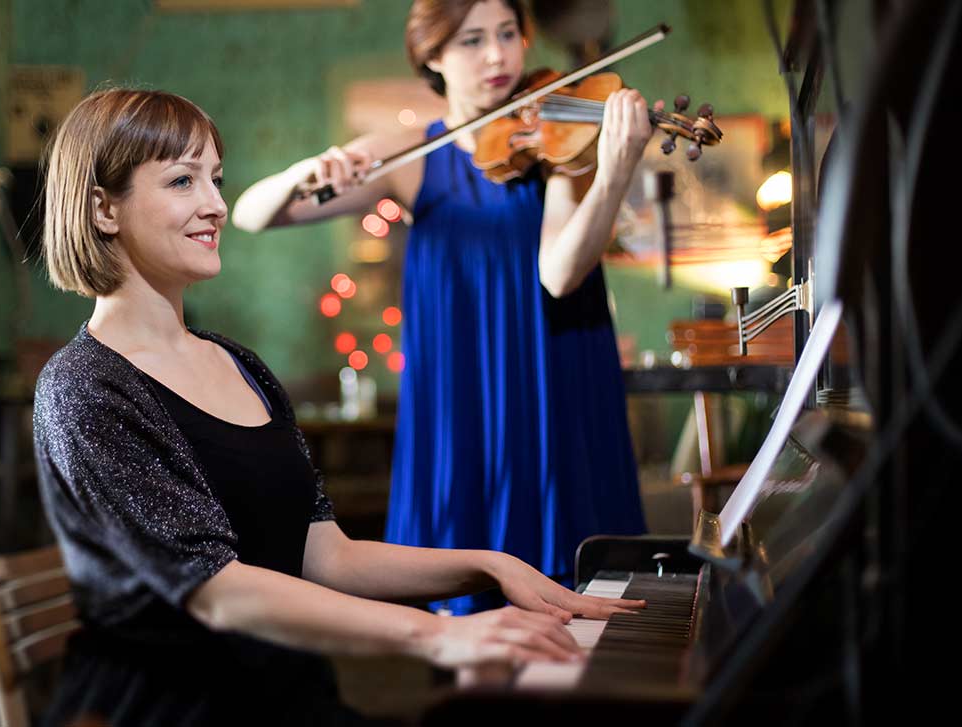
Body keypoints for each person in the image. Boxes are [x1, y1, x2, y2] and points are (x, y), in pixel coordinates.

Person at [33, 87, 643, 727]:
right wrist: (440, 635)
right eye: (183, 181)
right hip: (173, 708)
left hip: (288, 697)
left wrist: (488, 565)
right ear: (103, 208)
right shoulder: (84, 387)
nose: (215, 205)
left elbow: (326, 556)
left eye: (216, 179)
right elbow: (217, 593)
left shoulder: (240, 364)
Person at [233, 0, 652, 615]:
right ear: (431, 57)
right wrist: (304, 171)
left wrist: (614, 171)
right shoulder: (412, 157)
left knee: (579, 574)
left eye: (508, 34)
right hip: (467, 388)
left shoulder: (558, 145)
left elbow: (560, 275)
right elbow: (251, 214)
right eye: (471, 41)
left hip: (555, 369)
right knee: (473, 584)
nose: (497, 55)